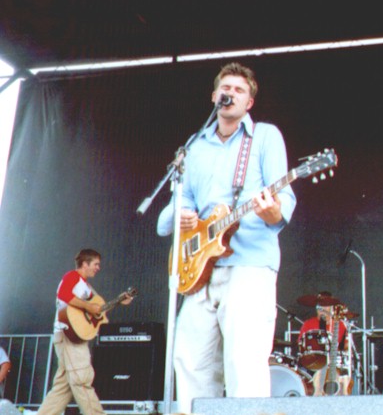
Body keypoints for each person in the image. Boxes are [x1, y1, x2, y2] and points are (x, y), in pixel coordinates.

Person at [157, 62, 297, 412]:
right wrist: (182, 215)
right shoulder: (194, 146)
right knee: (190, 361)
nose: (230, 93)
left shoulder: (264, 137)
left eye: (239, 90)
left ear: (249, 102)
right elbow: (171, 213)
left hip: (248, 265)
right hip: (200, 270)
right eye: (226, 88)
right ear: (214, 96)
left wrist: (271, 211)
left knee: (244, 365)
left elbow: (284, 199)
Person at [37, 248, 133, 415]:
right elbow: (64, 294)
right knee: (82, 379)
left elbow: (98, 310)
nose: (98, 268)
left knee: (63, 387)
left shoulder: (86, 287)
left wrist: (119, 301)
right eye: (95, 264)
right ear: (85, 264)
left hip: (69, 336)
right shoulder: (73, 276)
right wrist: (89, 306)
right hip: (68, 335)